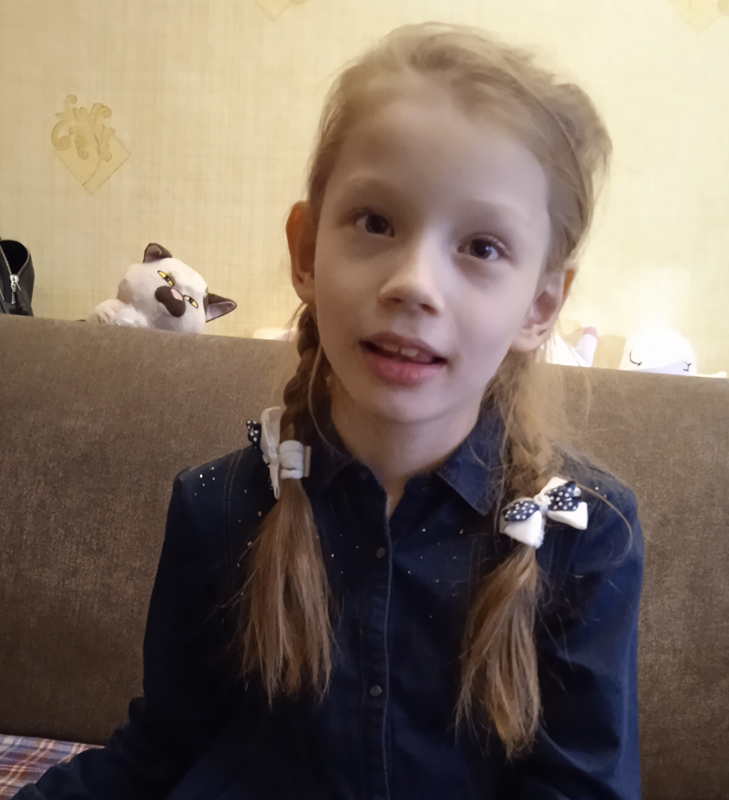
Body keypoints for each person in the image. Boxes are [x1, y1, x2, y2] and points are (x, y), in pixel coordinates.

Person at [15, 21, 644, 800]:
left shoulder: (586, 537)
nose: (414, 284)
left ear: (541, 305)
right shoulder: (216, 507)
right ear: (307, 250)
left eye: (482, 247)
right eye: (376, 222)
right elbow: (159, 754)